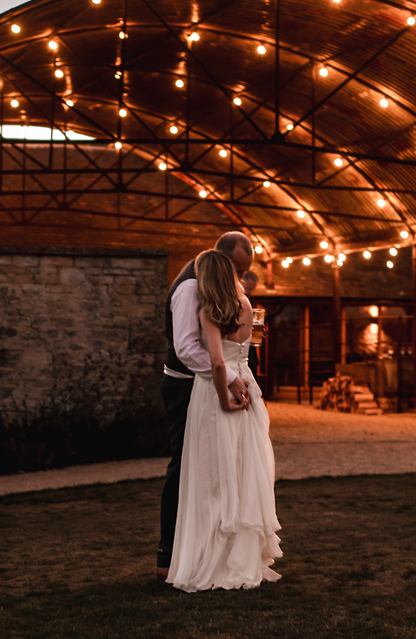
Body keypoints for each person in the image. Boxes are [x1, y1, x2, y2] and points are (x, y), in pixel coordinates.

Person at [166, 249, 282, 592]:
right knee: (244, 471)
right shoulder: (246, 307)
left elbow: (217, 364)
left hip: (215, 394)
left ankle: (214, 561)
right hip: (249, 386)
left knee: (213, 477)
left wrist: (224, 398)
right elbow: (248, 346)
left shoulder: (209, 311)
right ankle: (246, 557)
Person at [158, 232, 252, 580]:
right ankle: (168, 553)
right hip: (186, 386)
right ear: (223, 259)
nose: (239, 280)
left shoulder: (217, 289)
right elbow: (186, 349)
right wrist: (228, 375)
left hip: (213, 381)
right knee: (184, 467)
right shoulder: (189, 289)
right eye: (237, 271)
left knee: (218, 466)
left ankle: (212, 546)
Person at [241, 270, 261, 377]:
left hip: (250, 353)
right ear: (241, 283)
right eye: (248, 289)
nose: (250, 293)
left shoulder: (250, 302)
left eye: (252, 289)